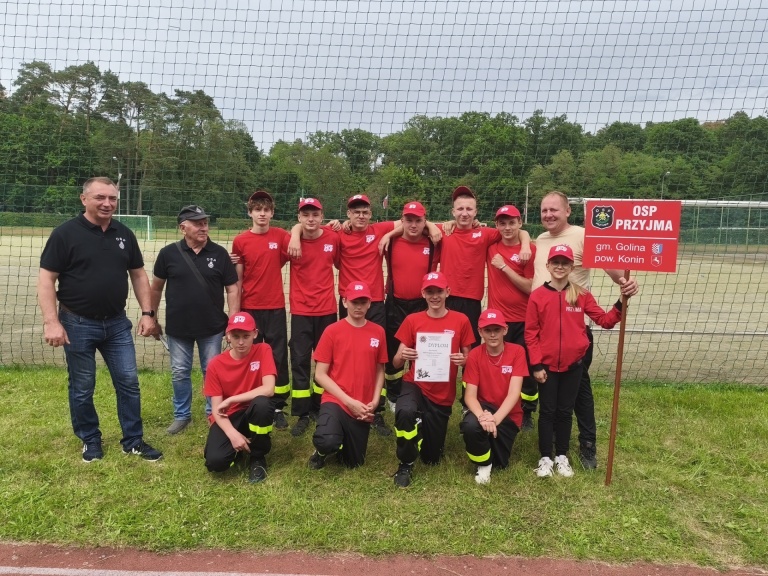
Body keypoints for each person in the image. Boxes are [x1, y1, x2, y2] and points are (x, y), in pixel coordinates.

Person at [38, 176, 162, 462]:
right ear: (84, 199)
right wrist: (51, 321)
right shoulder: (65, 234)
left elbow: (138, 274)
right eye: (100, 197)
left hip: (117, 324)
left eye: (112, 198)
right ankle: (90, 440)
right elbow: (46, 279)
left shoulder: (124, 233)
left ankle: (133, 440)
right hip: (76, 323)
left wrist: (148, 314)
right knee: (82, 386)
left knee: (129, 381)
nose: (107, 203)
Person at [533, 190, 639, 470]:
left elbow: (615, 273)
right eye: (544, 210)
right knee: (550, 399)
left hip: (574, 333)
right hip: (544, 336)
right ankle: (551, 447)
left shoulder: (583, 236)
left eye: (554, 210)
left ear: (568, 211)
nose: (549, 215)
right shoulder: (540, 239)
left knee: (579, 394)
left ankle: (587, 445)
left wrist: (625, 284)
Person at [526, 244, 630, 478]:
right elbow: (531, 334)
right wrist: (536, 365)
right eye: (556, 262)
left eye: (565, 263)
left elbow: (605, 320)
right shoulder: (537, 296)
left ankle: (562, 456)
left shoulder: (580, 294)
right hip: (547, 368)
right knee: (547, 412)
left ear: (572, 267)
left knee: (565, 412)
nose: (560, 266)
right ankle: (545, 457)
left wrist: (621, 302)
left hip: (573, 366)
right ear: (548, 266)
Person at [150, 205, 239, 434]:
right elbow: (156, 288)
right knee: (180, 371)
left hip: (212, 327)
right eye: (198, 223)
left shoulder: (220, 253)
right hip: (178, 328)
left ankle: (213, 413)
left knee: (212, 371)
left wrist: (233, 322)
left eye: (205, 223)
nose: (204, 227)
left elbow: (232, 289)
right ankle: (182, 416)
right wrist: (151, 316)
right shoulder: (168, 254)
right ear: (183, 228)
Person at [391, 271, 475, 488]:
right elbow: (396, 363)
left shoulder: (461, 320)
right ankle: (405, 462)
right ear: (423, 293)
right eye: (430, 291)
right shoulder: (412, 320)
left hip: (442, 395)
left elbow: (470, 359)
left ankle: (422, 427)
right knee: (405, 411)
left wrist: (463, 360)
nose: (435, 296)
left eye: (439, 291)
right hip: (415, 384)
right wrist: (404, 355)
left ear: (448, 292)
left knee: (431, 458)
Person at [308, 281, 387, 470]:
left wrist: (375, 401)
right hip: (336, 401)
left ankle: (341, 438)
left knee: (354, 463)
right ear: (344, 302)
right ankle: (322, 450)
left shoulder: (378, 332)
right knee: (327, 441)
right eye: (354, 302)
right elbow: (320, 375)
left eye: (363, 302)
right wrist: (348, 401)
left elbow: (380, 369)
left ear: (369, 303)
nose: (358, 307)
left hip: (363, 406)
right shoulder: (332, 331)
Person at [438, 186, 531, 346]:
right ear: (453, 212)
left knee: (470, 346)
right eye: (460, 209)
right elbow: (420, 224)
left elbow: (517, 230)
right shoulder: (444, 231)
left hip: (472, 300)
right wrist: (439, 224)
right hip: (447, 297)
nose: (464, 213)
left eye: (469, 209)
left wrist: (526, 245)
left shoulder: (485, 234)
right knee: (445, 345)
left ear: (476, 212)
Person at [231, 190, 291, 430]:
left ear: (272, 213)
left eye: (266, 210)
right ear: (250, 213)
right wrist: (236, 313)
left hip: (275, 307)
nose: (262, 214)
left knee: (278, 356)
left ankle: (277, 406)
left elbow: (301, 237)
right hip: (250, 308)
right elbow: (237, 279)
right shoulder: (240, 241)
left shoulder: (281, 236)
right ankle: (253, 401)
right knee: (251, 356)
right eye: (257, 210)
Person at [283, 197, 340, 437]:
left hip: (327, 310)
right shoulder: (291, 240)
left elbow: (341, 262)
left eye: (315, 214)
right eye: (305, 215)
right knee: (300, 361)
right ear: (299, 217)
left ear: (322, 216)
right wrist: (295, 234)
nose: (310, 219)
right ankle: (302, 412)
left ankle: (320, 405)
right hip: (301, 311)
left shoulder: (332, 238)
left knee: (326, 361)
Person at [203, 312, 275, 484]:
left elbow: (269, 389)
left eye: (246, 336)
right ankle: (239, 447)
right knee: (215, 462)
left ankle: (258, 456)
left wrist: (232, 399)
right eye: (236, 337)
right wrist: (232, 434)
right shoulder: (215, 364)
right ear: (228, 336)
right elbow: (217, 409)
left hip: (253, 410)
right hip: (229, 415)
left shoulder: (263, 350)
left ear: (255, 334)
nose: (241, 342)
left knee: (262, 404)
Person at [382, 201, 441, 412]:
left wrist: (432, 226)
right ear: (402, 220)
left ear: (425, 221)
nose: (413, 225)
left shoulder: (434, 242)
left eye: (418, 220)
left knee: (423, 351)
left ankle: (423, 392)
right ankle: (393, 394)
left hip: (422, 305)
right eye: (409, 220)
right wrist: (389, 234)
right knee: (394, 352)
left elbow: (454, 224)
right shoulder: (391, 241)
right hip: (395, 304)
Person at [460, 308, 527, 485]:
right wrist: (482, 417)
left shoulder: (518, 351)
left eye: (496, 329)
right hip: (484, 409)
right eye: (487, 330)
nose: (492, 334)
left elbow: (514, 393)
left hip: (508, 415)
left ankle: (491, 454)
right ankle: (484, 465)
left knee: (501, 463)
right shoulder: (475, 354)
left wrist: (495, 419)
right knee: (471, 426)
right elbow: (470, 396)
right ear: (480, 332)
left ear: (505, 330)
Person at [486, 205, 537, 431]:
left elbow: (530, 287)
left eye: (512, 223)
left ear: (520, 223)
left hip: (525, 320)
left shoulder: (530, 250)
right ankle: (498, 407)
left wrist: (505, 267)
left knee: (526, 368)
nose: (507, 227)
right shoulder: (491, 247)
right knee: (498, 366)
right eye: (502, 223)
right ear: (496, 225)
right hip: (498, 321)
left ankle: (527, 410)